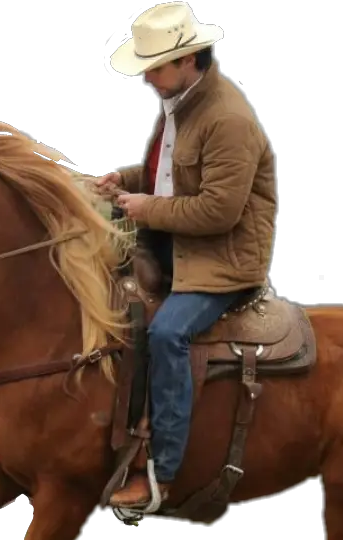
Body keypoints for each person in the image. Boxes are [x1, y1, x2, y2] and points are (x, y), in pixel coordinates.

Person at [98, 1, 277, 509]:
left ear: (188, 59)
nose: (148, 76)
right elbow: (167, 174)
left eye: (156, 66)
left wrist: (145, 207)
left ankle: (163, 471)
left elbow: (219, 211)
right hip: (172, 244)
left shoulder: (228, 119)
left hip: (221, 262)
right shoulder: (180, 101)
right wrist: (123, 182)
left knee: (167, 334)